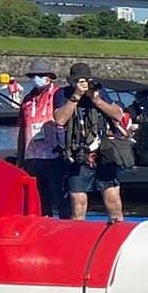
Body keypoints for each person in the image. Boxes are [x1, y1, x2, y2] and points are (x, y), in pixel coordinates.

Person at [53, 62, 128, 223]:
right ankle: (78, 231)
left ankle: (117, 226)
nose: (84, 84)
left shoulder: (99, 93)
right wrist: (76, 96)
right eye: (79, 81)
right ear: (72, 82)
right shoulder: (62, 94)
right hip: (77, 152)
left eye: (86, 80)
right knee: (78, 202)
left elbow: (118, 115)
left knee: (113, 197)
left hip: (103, 152)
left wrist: (97, 100)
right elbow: (60, 119)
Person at [17, 60, 68, 219]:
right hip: (32, 156)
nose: (36, 78)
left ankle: (66, 225)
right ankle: (43, 224)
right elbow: (22, 129)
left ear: (49, 77)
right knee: (40, 200)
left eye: (40, 75)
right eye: (33, 76)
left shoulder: (59, 94)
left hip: (54, 155)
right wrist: (20, 157)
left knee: (60, 198)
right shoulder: (27, 99)